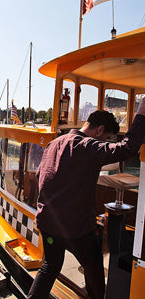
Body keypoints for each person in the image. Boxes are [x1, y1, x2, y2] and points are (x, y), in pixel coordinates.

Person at [28, 97, 145, 299]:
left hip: (47, 222)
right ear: (99, 130)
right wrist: (141, 114)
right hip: (76, 229)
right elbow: (127, 149)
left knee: (50, 267)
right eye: (106, 139)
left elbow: (40, 177)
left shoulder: (54, 143)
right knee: (94, 269)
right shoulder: (88, 146)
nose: (105, 143)